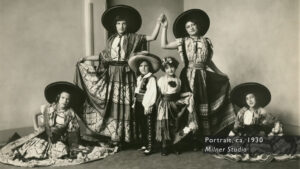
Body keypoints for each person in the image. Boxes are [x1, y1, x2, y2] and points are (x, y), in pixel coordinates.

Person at [74, 5, 165, 148]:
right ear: (114, 25)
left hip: (127, 75)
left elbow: (152, 37)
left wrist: (159, 23)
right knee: (113, 105)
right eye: (118, 23)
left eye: (123, 23)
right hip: (112, 73)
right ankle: (116, 136)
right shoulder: (111, 40)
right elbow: (103, 56)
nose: (121, 26)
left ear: (127, 25)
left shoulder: (133, 38)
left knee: (128, 104)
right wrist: (85, 58)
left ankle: (129, 136)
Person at [160, 9, 235, 150]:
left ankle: (203, 139)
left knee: (203, 106)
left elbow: (208, 62)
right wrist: (164, 27)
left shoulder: (206, 41)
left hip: (203, 77)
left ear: (198, 26)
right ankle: (190, 139)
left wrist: (221, 73)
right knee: (190, 106)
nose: (191, 28)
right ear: (185, 30)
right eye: (188, 27)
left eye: (193, 25)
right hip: (188, 76)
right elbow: (164, 45)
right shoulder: (183, 41)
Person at [0, 82, 117, 167]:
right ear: (58, 98)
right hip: (44, 135)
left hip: (60, 138)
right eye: (63, 98)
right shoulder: (49, 108)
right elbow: (35, 114)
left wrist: (71, 143)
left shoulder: (70, 112)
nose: (65, 101)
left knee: (63, 151)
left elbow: (74, 131)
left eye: (67, 99)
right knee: (30, 150)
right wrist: (36, 128)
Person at [212, 82, 300, 162]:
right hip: (244, 135)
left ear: (257, 98)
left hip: (258, 135)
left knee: (259, 146)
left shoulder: (262, 111)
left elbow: (275, 121)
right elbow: (237, 126)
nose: (250, 101)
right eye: (247, 99)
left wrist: (273, 128)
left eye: (252, 97)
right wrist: (235, 130)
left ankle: (261, 153)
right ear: (245, 101)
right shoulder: (242, 112)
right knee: (232, 145)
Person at [156, 56, 196, 155]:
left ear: (175, 67)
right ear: (164, 69)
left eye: (172, 67)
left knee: (176, 124)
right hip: (165, 104)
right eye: (167, 68)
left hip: (176, 104)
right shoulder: (161, 80)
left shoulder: (178, 80)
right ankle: (165, 146)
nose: (170, 69)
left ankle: (175, 145)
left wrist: (187, 94)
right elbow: (162, 94)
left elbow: (178, 94)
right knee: (166, 125)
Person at [128, 51, 160, 155]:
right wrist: (134, 103)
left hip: (146, 105)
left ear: (149, 67)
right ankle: (144, 143)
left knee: (148, 126)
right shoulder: (139, 78)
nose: (143, 68)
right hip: (138, 103)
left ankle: (151, 146)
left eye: (146, 66)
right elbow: (137, 92)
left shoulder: (151, 79)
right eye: (141, 66)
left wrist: (148, 106)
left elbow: (151, 93)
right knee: (141, 124)